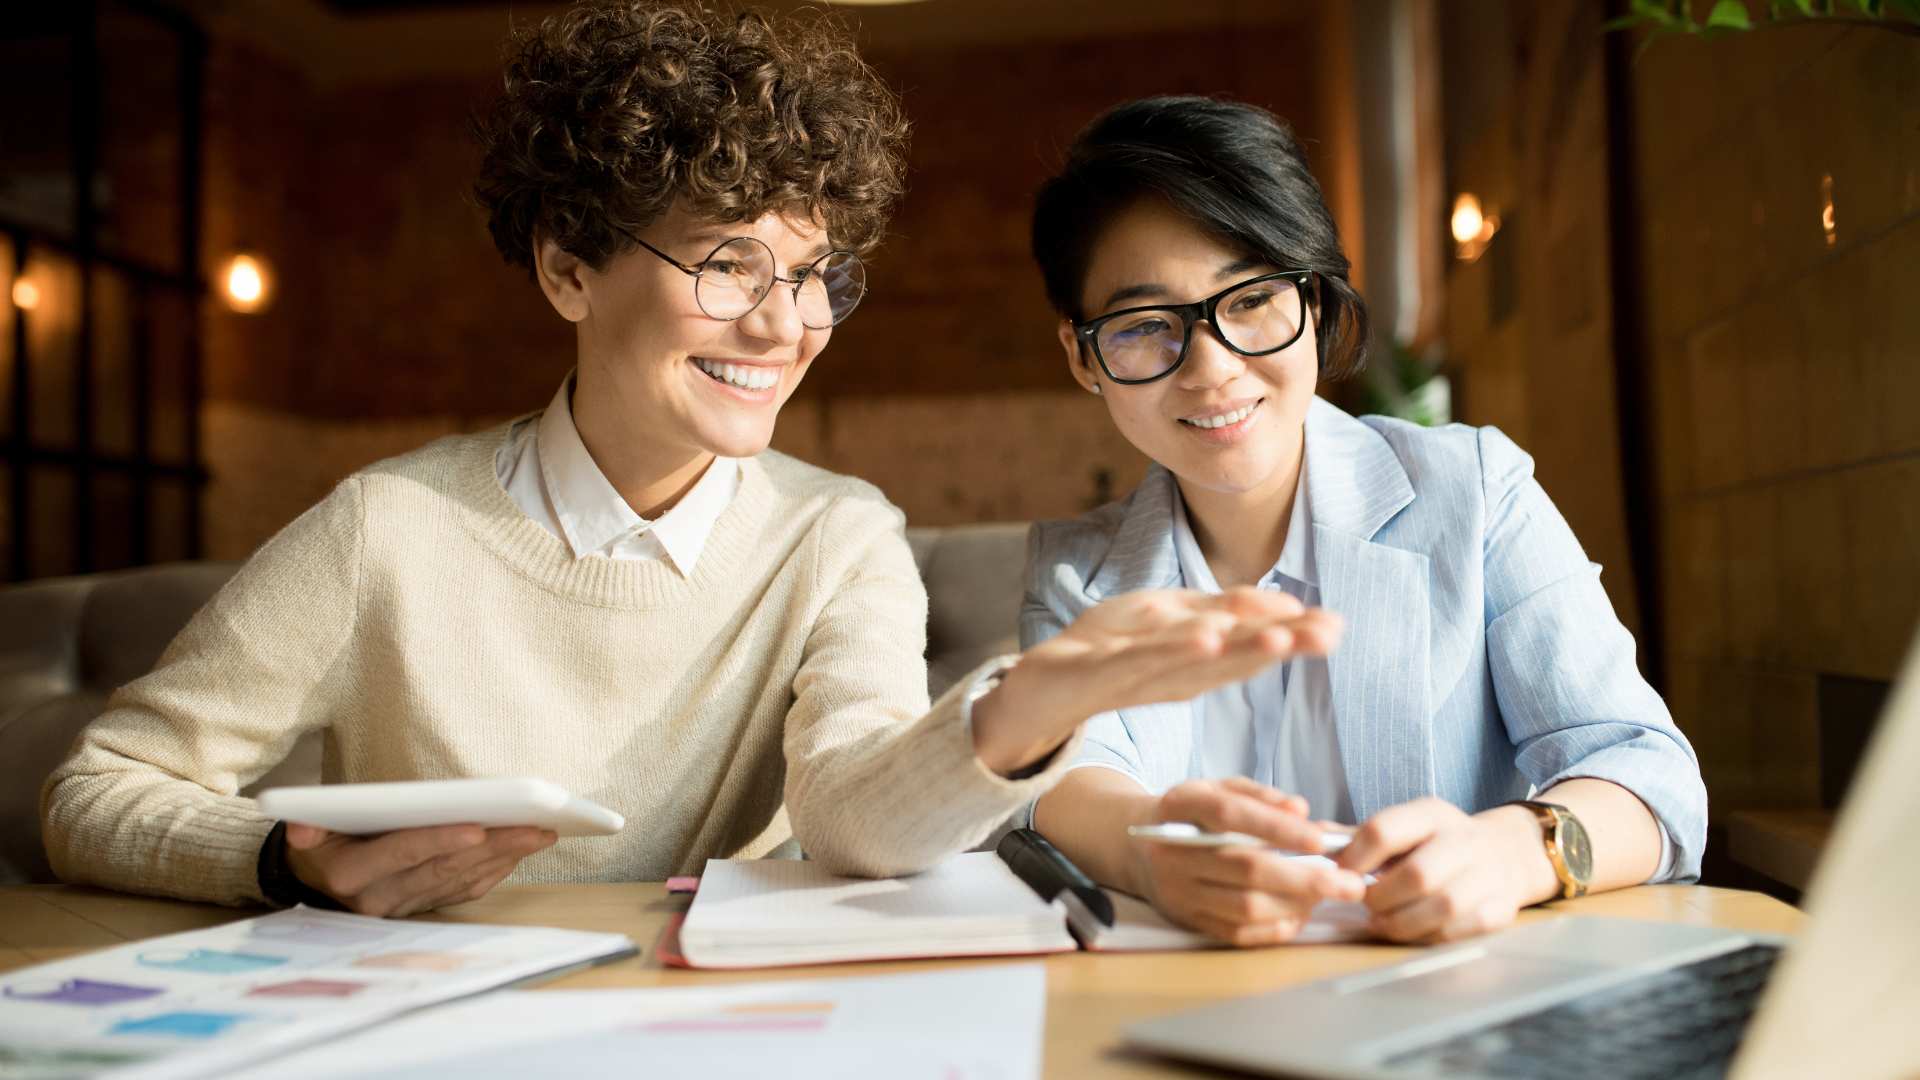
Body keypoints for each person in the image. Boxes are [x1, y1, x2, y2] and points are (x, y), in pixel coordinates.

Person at [40, 7, 1342, 917]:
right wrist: (289, 856)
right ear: (568, 268)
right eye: (728, 267)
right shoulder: (386, 530)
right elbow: (96, 792)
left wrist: (1022, 707)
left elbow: (853, 813)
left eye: (816, 277)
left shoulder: (840, 535)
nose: (785, 328)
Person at [1023, 96, 1707, 946]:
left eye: (1250, 299)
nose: (1211, 367)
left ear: (1313, 296)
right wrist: (1150, 853)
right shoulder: (1071, 572)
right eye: (1143, 326)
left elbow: (1646, 766)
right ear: (1083, 355)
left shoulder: (1475, 492)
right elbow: (1064, 777)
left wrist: (1517, 852)